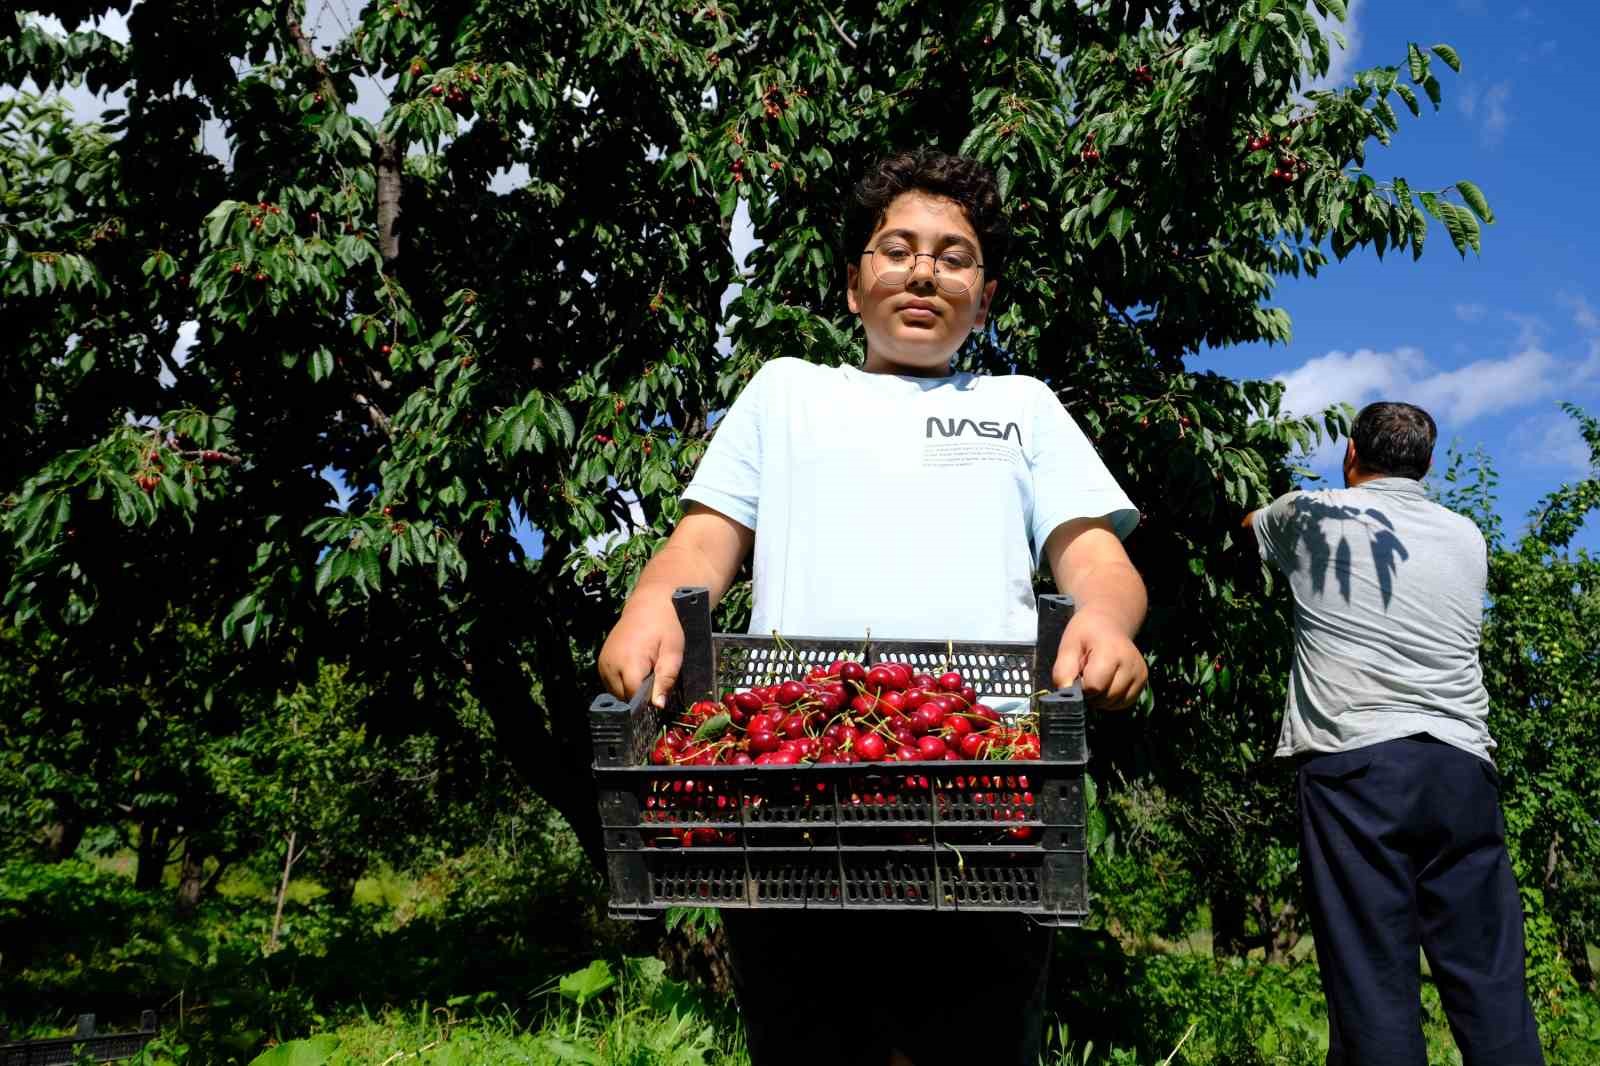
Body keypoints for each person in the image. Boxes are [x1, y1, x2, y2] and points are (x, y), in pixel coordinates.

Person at [598, 147, 1149, 1066]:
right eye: (898, 248)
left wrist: (1105, 618)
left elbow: (1097, 557)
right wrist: (651, 601)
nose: (926, 269)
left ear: (986, 294)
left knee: (973, 1040)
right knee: (807, 1037)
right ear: (854, 287)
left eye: (955, 254)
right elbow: (702, 542)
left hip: (981, 788)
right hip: (788, 788)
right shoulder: (788, 393)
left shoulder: (1021, 407)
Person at [1245, 402, 1544, 1066]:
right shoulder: (1467, 535)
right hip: (1463, 767)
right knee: (1491, 984)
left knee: (1373, 985)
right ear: (1428, 465)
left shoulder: (1309, 513)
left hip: (1358, 769)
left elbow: (1246, 530)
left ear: (1350, 454)